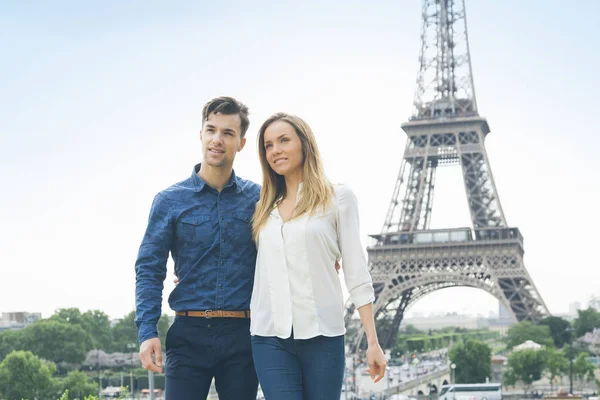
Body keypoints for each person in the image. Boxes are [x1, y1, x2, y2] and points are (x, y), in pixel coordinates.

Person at [250, 112, 387, 399]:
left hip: (323, 335)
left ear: (304, 143)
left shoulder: (338, 198)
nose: (275, 150)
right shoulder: (263, 208)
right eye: (268, 145)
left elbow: (356, 270)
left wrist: (372, 341)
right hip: (270, 337)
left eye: (284, 140)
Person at [134, 96, 260, 399]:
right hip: (188, 334)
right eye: (211, 130)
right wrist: (147, 331)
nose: (218, 140)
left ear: (241, 143)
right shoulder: (169, 200)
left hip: (242, 335)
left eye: (228, 133)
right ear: (201, 134)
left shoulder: (259, 198)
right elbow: (149, 268)